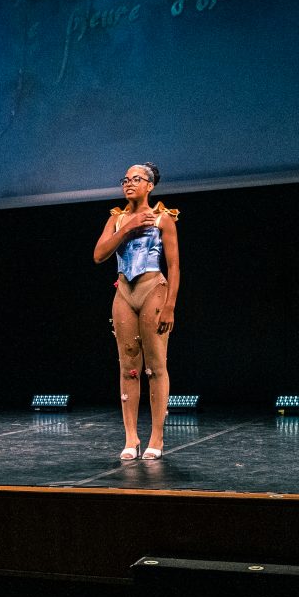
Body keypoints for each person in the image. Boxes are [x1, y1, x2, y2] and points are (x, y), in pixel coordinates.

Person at [93, 162, 181, 461]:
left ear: (150, 185)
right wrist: (129, 227)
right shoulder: (117, 219)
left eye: (136, 179)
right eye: (125, 179)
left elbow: (174, 266)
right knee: (127, 367)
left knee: (155, 366)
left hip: (153, 288)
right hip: (124, 293)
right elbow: (99, 255)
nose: (129, 183)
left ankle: (157, 436)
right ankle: (131, 437)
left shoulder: (163, 218)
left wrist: (170, 305)